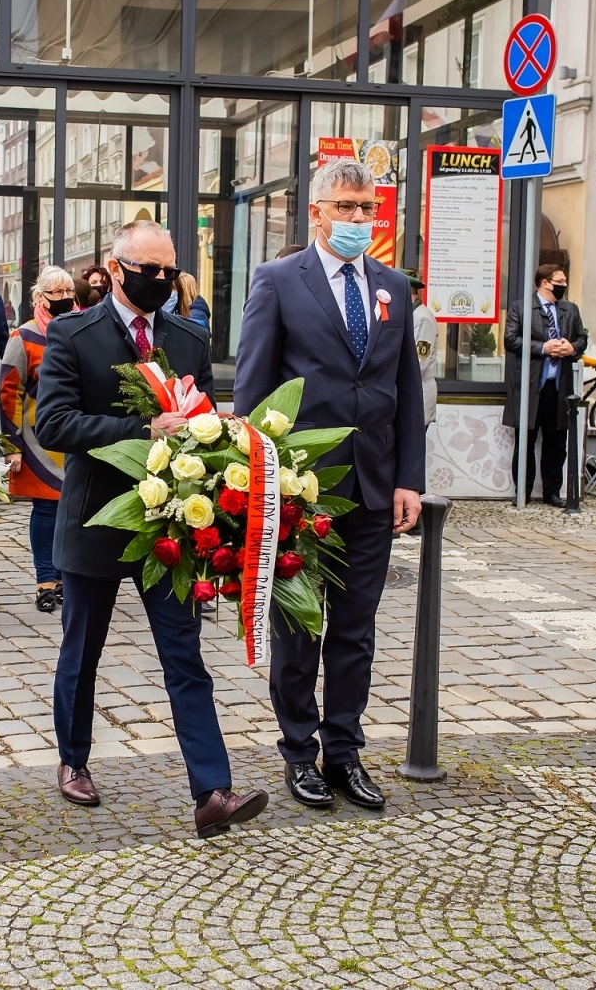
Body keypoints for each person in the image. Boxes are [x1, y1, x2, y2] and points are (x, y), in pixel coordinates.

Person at [35, 219, 269, 838]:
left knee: (184, 656)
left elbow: (207, 425)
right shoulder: (72, 333)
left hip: (172, 528)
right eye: (149, 270)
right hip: (94, 521)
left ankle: (212, 791)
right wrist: (141, 434)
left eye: (169, 270)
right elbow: (54, 425)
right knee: (82, 652)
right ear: (116, 269)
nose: (161, 280)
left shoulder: (188, 339)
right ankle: (73, 758)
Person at [234, 158, 426, 813]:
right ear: (315, 212)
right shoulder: (278, 281)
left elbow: (406, 391)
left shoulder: (393, 287)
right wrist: (260, 483)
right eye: (343, 208)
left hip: (374, 490)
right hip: (301, 492)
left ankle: (343, 752)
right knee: (299, 630)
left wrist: (409, 480)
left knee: (355, 631)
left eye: (364, 209)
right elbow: (254, 392)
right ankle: (299, 752)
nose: (355, 220)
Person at [0, 266, 74, 612]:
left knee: (72, 511)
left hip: (76, 437)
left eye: (68, 292)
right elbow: (8, 392)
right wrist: (11, 445)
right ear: (38, 297)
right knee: (46, 511)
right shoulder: (23, 336)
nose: (63, 298)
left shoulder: (82, 330)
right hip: (38, 440)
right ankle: (46, 580)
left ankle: (65, 578)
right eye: (55, 293)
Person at [504, 264, 588, 506]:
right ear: (545, 282)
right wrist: (543, 347)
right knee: (525, 442)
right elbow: (510, 340)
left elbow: (582, 338)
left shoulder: (570, 310)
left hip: (558, 386)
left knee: (556, 443)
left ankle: (552, 492)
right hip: (531, 387)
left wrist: (572, 348)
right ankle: (524, 492)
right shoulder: (521, 308)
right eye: (560, 281)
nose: (564, 285)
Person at [409, 274, 438, 430]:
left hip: (417, 399)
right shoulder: (412, 315)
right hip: (410, 399)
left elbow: (419, 364)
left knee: (412, 453)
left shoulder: (422, 318)